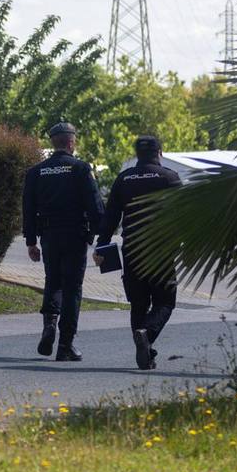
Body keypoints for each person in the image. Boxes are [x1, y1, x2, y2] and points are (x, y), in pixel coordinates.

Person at [93, 135, 181, 370]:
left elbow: (111, 215)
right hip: (161, 249)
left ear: (137, 155)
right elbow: (182, 215)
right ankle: (147, 334)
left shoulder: (124, 178)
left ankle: (145, 352)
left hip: (132, 247)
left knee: (138, 303)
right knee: (165, 301)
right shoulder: (169, 177)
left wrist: (101, 244)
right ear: (159, 152)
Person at [22, 122, 104, 361]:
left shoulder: (36, 171)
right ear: (71, 142)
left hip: (49, 236)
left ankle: (49, 325)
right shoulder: (80, 169)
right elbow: (95, 205)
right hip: (75, 235)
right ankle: (65, 343)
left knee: (53, 281)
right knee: (72, 288)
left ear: (53, 142)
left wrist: (30, 241)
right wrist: (102, 236)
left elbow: (28, 209)